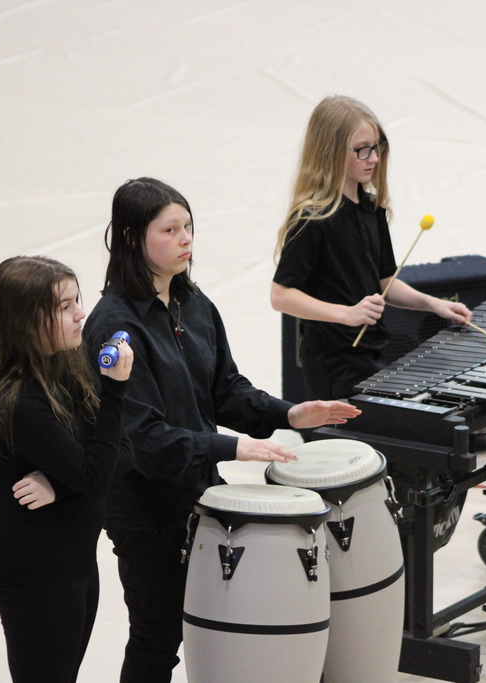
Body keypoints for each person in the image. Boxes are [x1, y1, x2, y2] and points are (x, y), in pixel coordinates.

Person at [84, 177, 360, 683]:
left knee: (232, 618)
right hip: (144, 510)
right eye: (170, 229)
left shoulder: (194, 304)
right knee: (157, 635)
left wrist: (290, 414)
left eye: (189, 226)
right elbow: (145, 439)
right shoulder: (113, 327)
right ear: (130, 238)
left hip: (196, 491)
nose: (187, 239)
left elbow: (226, 389)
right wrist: (235, 446)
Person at [0, 256, 135, 683]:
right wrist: (115, 390)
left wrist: (62, 484)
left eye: (76, 300)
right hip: (34, 567)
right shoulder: (21, 401)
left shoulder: (66, 367)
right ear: (25, 321)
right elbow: (98, 475)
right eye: (64, 307)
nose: (82, 313)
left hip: (74, 556)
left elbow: (126, 451)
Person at [271, 95, 472, 400]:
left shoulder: (371, 208)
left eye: (376, 147)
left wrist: (434, 304)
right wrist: (346, 314)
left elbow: (384, 282)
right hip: (333, 364)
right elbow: (281, 296)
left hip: (372, 353)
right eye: (362, 150)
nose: (374, 159)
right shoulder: (312, 218)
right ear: (331, 152)